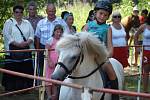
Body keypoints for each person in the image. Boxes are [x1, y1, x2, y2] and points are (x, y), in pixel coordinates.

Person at [83, 1, 119, 100]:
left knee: (111, 72)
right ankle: (62, 88)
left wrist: (108, 54)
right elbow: (81, 42)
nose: (102, 17)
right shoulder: (87, 26)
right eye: (100, 13)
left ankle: (115, 96)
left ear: (108, 17)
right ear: (95, 13)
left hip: (100, 57)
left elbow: (110, 46)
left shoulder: (108, 28)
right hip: (87, 56)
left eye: (105, 15)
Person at [2, 5, 34, 91]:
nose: (18, 14)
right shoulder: (9, 22)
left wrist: (26, 43)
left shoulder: (27, 23)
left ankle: (25, 89)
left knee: (25, 70)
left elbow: (32, 35)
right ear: (13, 13)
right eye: (16, 12)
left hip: (25, 51)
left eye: (20, 12)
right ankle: (11, 89)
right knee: (13, 71)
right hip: (12, 51)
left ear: (23, 13)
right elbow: (6, 35)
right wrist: (17, 44)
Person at [35, 3, 67, 76]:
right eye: (49, 11)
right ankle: (43, 85)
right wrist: (38, 50)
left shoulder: (61, 22)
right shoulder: (41, 22)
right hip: (44, 48)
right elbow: (37, 37)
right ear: (46, 11)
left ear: (55, 11)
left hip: (58, 49)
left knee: (57, 68)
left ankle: (57, 85)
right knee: (43, 69)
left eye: (53, 11)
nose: (51, 13)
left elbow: (66, 35)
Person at [45, 24, 63, 100]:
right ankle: (49, 95)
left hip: (58, 64)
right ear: (54, 32)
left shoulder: (62, 41)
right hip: (50, 63)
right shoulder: (50, 40)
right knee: (49, 79)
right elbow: (46, 51)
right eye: (57, 32)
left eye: (60, 32)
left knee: (55, 79)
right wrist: (49, 61)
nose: (59, 33)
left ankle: (55, 95)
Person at [134, 12, 150, 93]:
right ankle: (145, 92)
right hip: (146, 51)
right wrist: (137, 47)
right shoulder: (144, 26)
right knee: (146, 71)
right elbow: (136, 36)